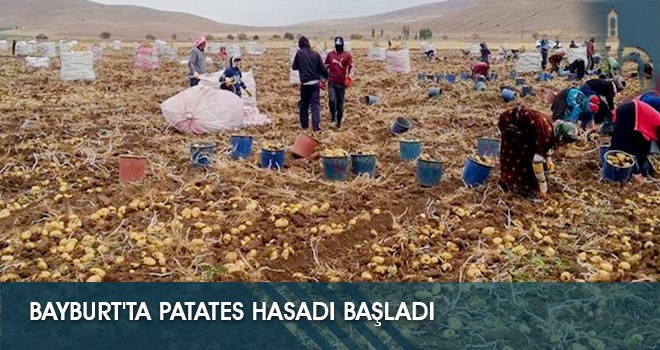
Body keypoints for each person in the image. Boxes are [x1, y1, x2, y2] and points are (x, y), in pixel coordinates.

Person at [498, 107, 578, 198]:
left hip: (518, 123)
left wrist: (548, 158)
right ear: (560, 138)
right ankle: (513, 185)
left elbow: (541, 145)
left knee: (530, 152)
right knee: (520, 156)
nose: (563, 146)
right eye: (564, 143)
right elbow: (537, 162)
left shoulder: (551, 127)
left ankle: (516, 183)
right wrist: (542, 183)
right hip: (509, 123)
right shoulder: (546, 134)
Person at [610, 100, 660, 182]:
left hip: (630, 111)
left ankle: (631, 170)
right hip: (632, 111)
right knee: (624, 142)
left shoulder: (654, 125)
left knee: (640, 147)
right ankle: (617, 169)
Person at [292, 36, 328, 132]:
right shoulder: (315, 54)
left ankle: (304, 126)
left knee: (304, 105)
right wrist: (326, 78)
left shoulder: (299, 53)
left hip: (305, 84)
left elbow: (294, 67)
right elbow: (322, 68)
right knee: (315, 105)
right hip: (315, 84)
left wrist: (302, 66)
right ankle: (316, 127)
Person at [324, 36, 353, 129]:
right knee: (332, 101)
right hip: (332, 82)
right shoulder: (330, 55)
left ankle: (338, 122)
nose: (338, 47)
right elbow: (326, 68)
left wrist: (349, 78)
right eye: (337, 45)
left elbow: (352, 68)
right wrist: (323, 80)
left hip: (342, 83)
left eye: (340, 45)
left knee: (340, 103)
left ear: (343, 45)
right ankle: (333, 117)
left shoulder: (347, 55)